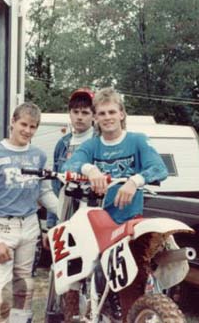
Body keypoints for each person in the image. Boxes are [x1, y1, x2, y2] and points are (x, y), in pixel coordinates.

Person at [63, 87, 168, 321]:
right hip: (98, 224)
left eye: (112, 111)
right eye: (101, 113)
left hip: (129, 223)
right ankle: (81, 310)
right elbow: (68, 166)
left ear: (121, 113)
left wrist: (135, 180)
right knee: (82, 269)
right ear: (96, 118)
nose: (107, 117)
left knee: (131, 280)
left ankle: (131, 316)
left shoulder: (136, 141)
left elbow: (160, 168)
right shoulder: (92, 146)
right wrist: (90, 169)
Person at [0, 102, 58, 323]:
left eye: (33, 127)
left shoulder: (39, 155)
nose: (27, 131)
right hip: (2, 226)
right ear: (12, 122)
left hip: (29, 225)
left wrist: (65, 212)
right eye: (23, 124)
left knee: (24, 289)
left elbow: (44, 192)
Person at [46, 87, 95, 322]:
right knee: (66, 270)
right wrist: (51, 225)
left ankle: (95, 311)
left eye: (85, 112)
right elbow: (54, 186)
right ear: (69, 113)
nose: (80, 116)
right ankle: (68, 314)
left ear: (93, 115)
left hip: (92, 216)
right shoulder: (63, 144)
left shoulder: (99, 141)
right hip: (66, 213)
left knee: (93, 269)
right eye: (75, 111)